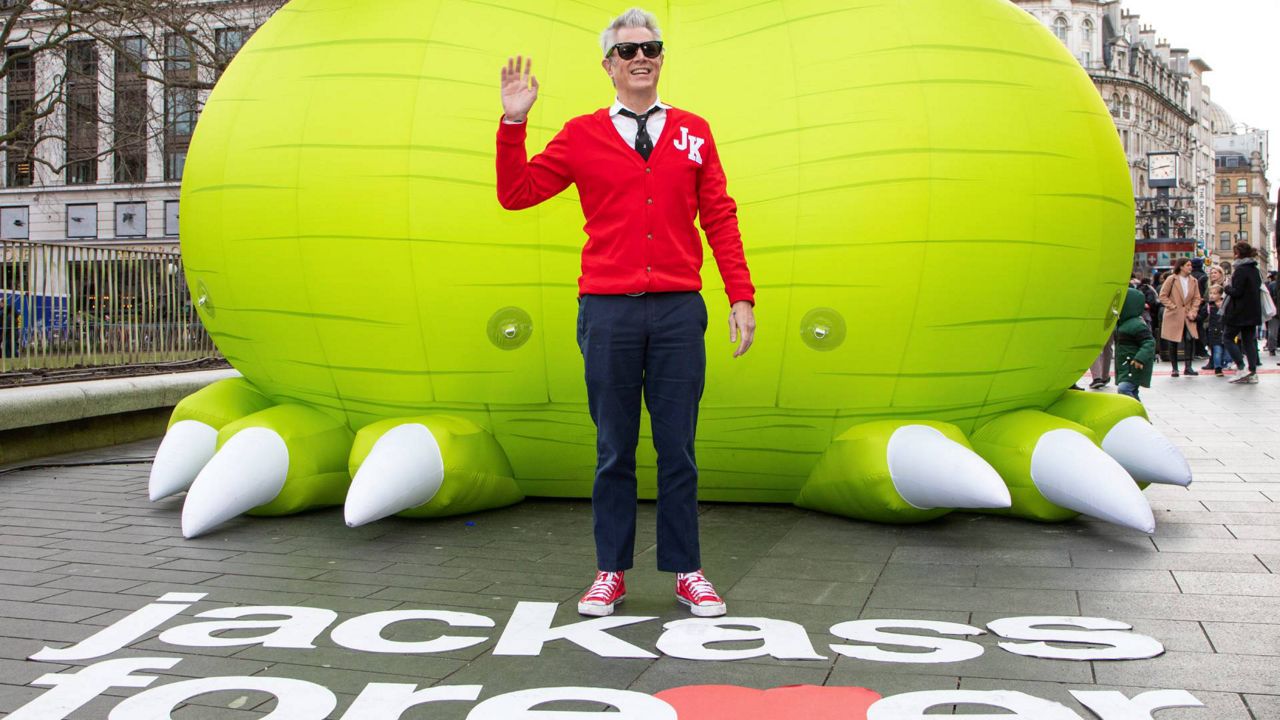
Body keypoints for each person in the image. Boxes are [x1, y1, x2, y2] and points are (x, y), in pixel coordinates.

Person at [496, 8, 755, 618]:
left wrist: (739, 295)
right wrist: (514, 122)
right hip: (608, 313)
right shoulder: (582, 134)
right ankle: (609, 570)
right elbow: (518, 193)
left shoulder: (694, 130)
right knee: (614, 448)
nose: (642, 58)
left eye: (652, 48)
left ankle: (687, 570)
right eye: (629, 51)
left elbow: (719, 214)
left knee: (678, 448)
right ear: (609, 65)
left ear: (661, 58)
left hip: (676, 312)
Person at [1222, 242, 1262, 384]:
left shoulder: (1240, 270)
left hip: (1239, 312)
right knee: (1248, 341)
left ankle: (1241, 366)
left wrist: (1226, 287)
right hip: (1253, 311)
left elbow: (1237, 292)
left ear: (1238, 254)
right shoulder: (1255, 270)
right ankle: (1252, 371)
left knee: (1227, 337)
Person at [1158, 258, 1201, 377]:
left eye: (1191, 265)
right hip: (1174, 314)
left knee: (1189, 338)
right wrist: (1172, 306)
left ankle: (1188, 367)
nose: (1190, 267)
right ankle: (1174, 368)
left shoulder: (1194, 281)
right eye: (1188, 265)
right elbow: (1162, 295)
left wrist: (1194, 311)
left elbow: (1197, 297)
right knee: (1173, 341)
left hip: (1188, 315)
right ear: (1181, 267)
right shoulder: (1171, 279)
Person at [1114, 288, 1155, 401]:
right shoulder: (1122, 323)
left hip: (1133, 366)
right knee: (1131, 392)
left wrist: (1140, 359)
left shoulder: (1136, 325)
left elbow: (1149, 342)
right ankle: (1139, 414)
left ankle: (1137, 412)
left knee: (1124, 389)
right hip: (1127, 366)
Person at [1205, 285, 1227, 376]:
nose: (1212, 295)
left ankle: (1224, 363)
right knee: (1217, 350)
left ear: (1220, 295)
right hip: (1214, 332)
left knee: (1226, 351)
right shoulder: (1209, 306)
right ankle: (1218, 368)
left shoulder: (1225, 304)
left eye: (1214, 293)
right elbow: (1203, 315)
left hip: (1225, 331)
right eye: (1210, 293)